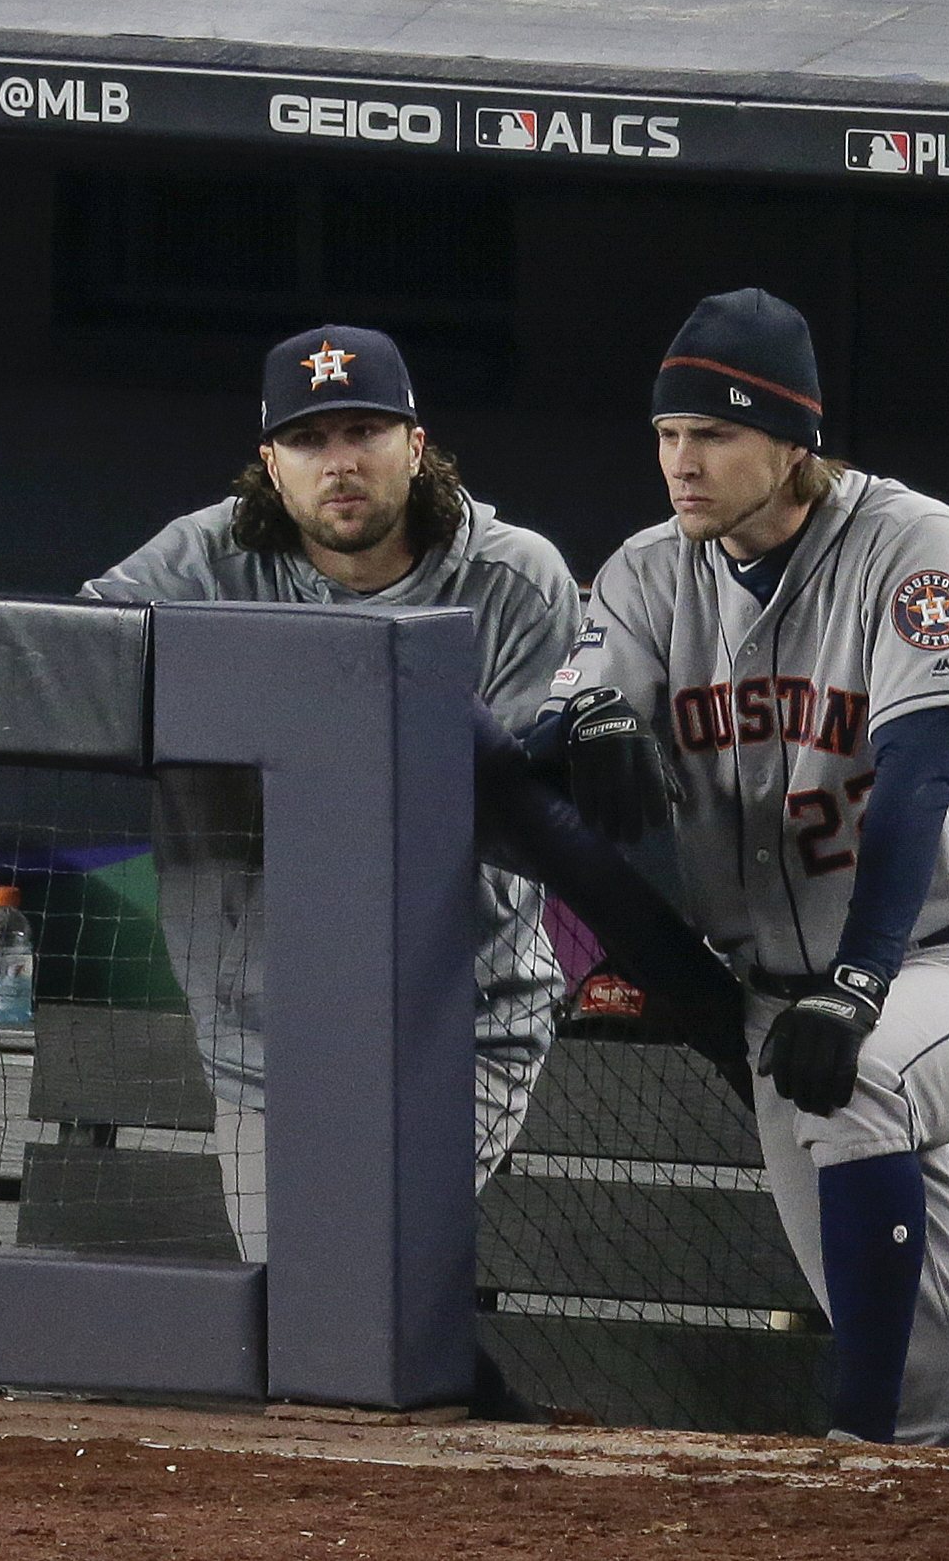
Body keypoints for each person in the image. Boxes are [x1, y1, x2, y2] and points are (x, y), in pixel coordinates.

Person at [546, 286, 949, 1446]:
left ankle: (847, 1455)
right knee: (923, 1404)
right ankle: (919, 1488)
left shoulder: (910, 543)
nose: (683, 461)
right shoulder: (647, 572)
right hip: (780, 998)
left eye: (716, 434)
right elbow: (564, 715)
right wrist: (592, 722)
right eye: (669, 435)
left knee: (865, 1084)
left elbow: (921, 771)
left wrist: (863, 980)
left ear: (794, 442)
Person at [83, 325, 581, 1261]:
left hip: (455, 1021)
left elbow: (501, 813)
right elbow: (73, 669)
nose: (339, 462)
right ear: (270, 464)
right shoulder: (202, 564)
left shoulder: (513, 583)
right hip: (263, 1038)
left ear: (417, 445)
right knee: (300, 1288)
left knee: (357, 1268)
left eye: (364, 431)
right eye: (309, 440)